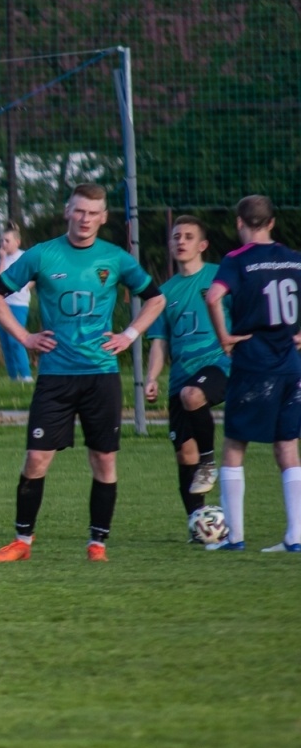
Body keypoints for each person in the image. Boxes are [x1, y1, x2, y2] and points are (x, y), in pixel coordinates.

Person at [0, 182, 165, 563]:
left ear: (103, 217)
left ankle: (97, 544)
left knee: (104, 460)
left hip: (101, 374)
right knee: (36, 459)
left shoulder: (115, 258)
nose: (85, 219)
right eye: (79, 211)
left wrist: (130, 335)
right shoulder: (42, 254)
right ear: (67, 211)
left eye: (93, 213)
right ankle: (22, 542)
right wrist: (24, 337)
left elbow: (156, 298)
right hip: (55, 376)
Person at [203, 195, 301, 553]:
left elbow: (213, 297)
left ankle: (234, 537)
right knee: (287, 446)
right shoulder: (293, 258)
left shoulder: (237, 259)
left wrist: (224, 337)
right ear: (272, 223)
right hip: (290, 363)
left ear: (239, 223)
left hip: (254, 361)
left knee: (234, 444)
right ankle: (296, 537)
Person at [144, 216, 230, 521]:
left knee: (193, 395)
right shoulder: (163, 293)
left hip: (219, 364)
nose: (181, 241)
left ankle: (209, 462)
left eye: (188, 236)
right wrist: (151, 377)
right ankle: (197, 522)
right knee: (184, 453)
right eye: (176, 236)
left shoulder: (220, 278)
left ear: (202, 245)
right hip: (181, 377)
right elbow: (159, 342)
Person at [0, 225, 33, 382]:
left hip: (18, 304)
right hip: (1, 304)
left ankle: (26, 375)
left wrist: (27, 287)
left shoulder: (25, 257)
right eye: (1, 240)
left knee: (16, 340)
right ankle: (13, 377)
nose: (3, 244)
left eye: (7, 241)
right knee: (5, 342)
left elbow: (35, 276)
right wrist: (2, 260)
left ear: (17, 242)